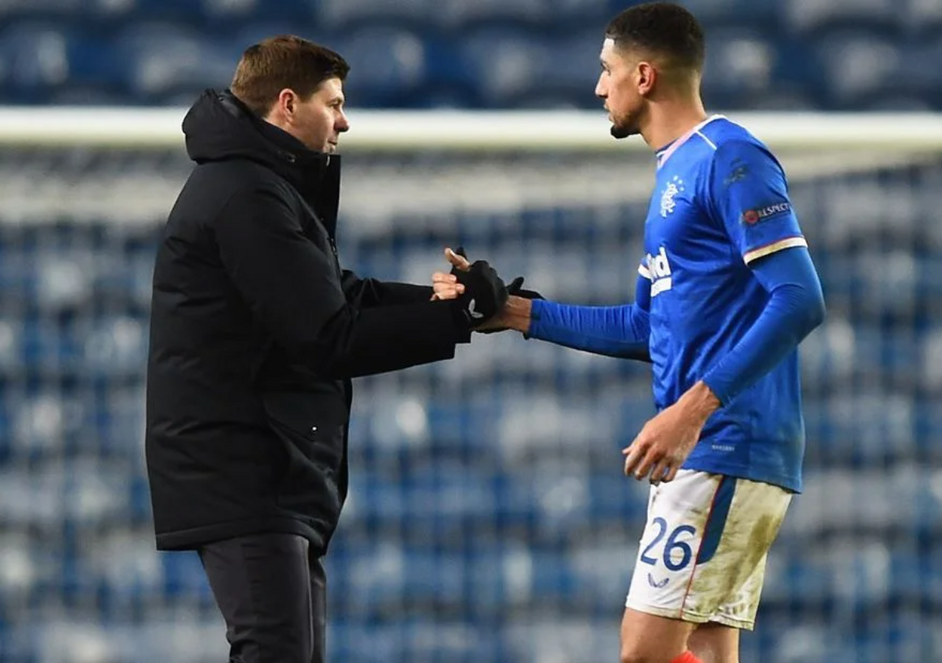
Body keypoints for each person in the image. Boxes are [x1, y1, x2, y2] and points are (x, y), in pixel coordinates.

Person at [434, 4, 826, 662]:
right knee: (706, 646)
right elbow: (647, 326)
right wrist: (516, 313)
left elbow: (800, 298)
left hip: (725, 442)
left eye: (606, 70)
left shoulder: (727, 156)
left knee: (643, 650)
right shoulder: (673, 172)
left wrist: (691, 411)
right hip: (714, 446)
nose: (598, 87)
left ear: (643, 76)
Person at [144, 35, 508, 663]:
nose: (344, 120)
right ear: (288, 104)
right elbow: (326, 336)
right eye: (333, 103)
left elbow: (338, 294)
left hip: (267, 467)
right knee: (275, 648)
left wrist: (452, 306)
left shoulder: (262, 187)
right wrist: (449, 322)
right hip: (244, 468)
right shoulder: (245, 195)